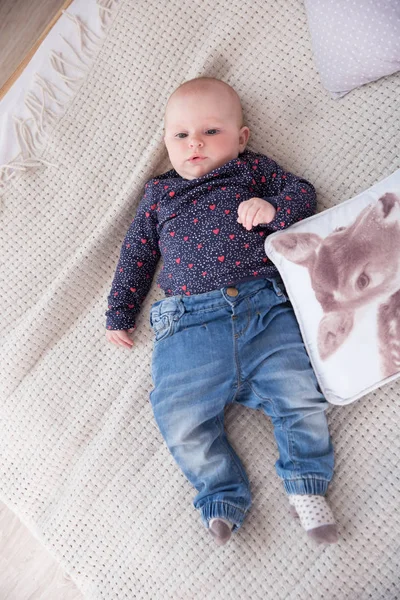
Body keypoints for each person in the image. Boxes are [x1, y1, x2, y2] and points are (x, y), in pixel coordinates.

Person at [105, 77, 338, 546]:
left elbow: (302, 193)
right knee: (179, 417)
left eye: (211, 132)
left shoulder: (252, 171)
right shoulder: (159, 195)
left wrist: (272, 208)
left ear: (241, 138)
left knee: (301, 396)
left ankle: (307, 487)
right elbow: (136, 255)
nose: (195, 143)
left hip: (264, 310)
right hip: (187, 326)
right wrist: (120, 311)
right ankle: (221, 495)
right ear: (166, 143)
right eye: (181, 135)